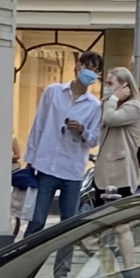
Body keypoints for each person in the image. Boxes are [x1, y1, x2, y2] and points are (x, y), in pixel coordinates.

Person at [22, 51, 102, 232]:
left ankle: (63, 262)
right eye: (88, 67)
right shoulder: (53, 92)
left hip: (72, 169)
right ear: (78, 66)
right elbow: (39, 125)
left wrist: (82, 130)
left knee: (68, 226)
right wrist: (31, 159)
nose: (91, 73)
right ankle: (29, 260)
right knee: (37, 220)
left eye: (96, 71)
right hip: (46, 164)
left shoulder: (94, 105)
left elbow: (94, 139)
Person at [93, 66, 140, 197]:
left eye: (110, 83)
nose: (107, 87)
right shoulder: (109, 104)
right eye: (105, 83)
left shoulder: (133, 106)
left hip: (120, 177)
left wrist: (113, 98)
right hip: (104, 176)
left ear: (124, 86)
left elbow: (110, 118)